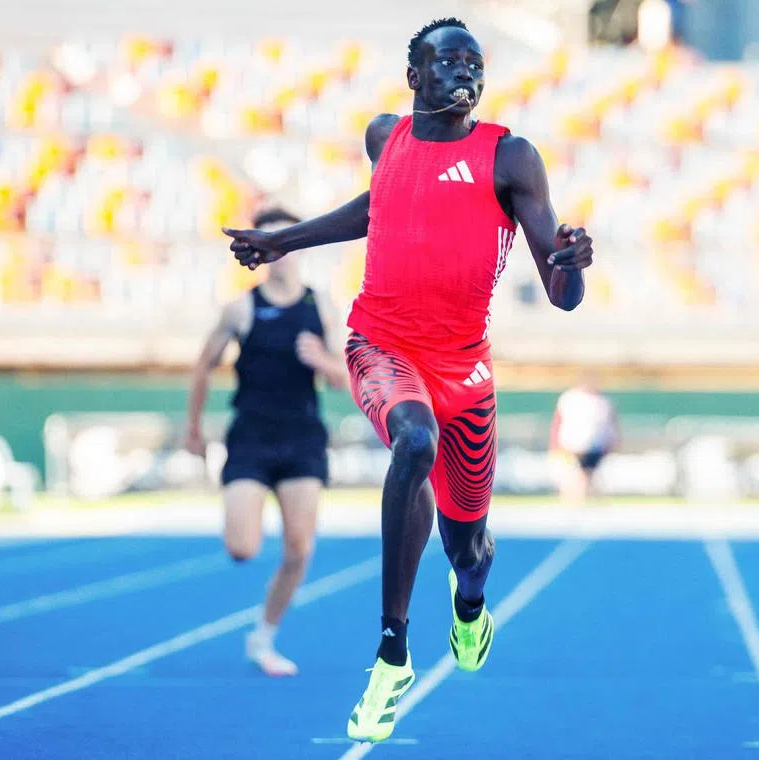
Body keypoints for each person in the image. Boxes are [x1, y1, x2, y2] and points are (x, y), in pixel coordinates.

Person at [223, 17, 594, 742]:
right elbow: (376, 208)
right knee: (413, 443)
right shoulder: (383, 138)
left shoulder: (510, 157)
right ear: (415, 75)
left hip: (467, 370)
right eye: (450, 62)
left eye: (476, 64)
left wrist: (573, 262)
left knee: (469, 547)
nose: (466, 75)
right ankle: (392, 652)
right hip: (381, 345)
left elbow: (562, 291)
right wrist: (282, 241)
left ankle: (469, 602)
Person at [187, 207, 347, 675]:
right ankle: (261, 628)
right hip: (251, 439)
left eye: (288, 242)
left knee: (300, 550)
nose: (281, 254)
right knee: (242, 548)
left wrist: (322, 360)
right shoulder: (240, 307)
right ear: (261, 251)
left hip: (302, 439)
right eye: (272, 244)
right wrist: (193, 427)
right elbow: (203, 365)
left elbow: (345, 378)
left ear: (299, 248)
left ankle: (264, 636)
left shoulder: (322, 307)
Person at [549, 374, 620, 505]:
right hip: (572, 446)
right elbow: (558, 422)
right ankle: (570, 506)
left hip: (595, 447)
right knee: (573, 480)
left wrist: (611, 442)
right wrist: (556, 444)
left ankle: (595, 508)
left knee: (592, 480)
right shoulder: (568, 399)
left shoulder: (603, 402)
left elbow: (611, 424)